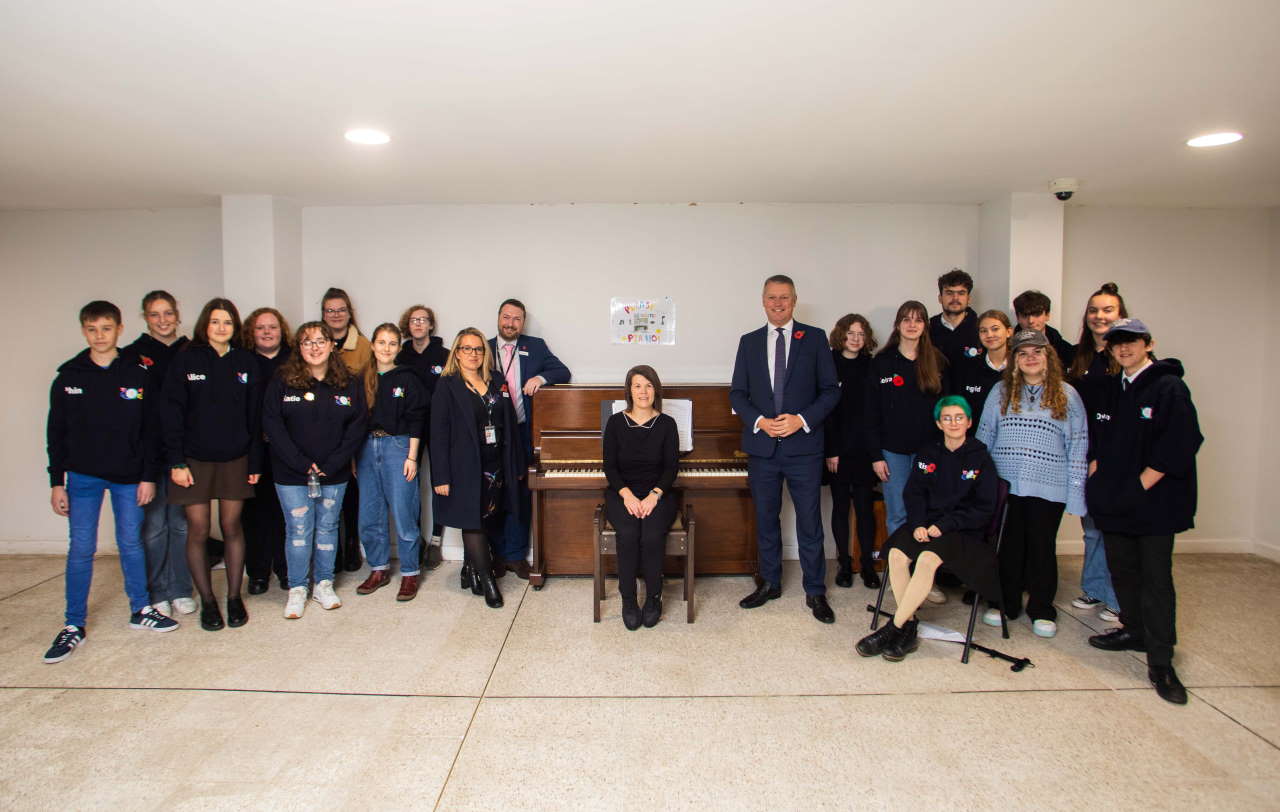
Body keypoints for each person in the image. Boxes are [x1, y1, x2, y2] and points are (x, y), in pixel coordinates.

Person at [43, 301, 178, 662]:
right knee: (81, 548)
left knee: (131, 543)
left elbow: (152, 431)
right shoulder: (69, 376)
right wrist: (58, 481)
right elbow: (55, 433)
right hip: (83, 477)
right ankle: (74, 623)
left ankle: (141, 609)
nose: (99, 335)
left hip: (129, 476)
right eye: (92, 329)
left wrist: (148, 476)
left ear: (119, 329)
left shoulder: (137, 374)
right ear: (84, 331)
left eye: (106, 328)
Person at [1086, 318, 1202, 705]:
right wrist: (1097, 469)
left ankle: (1161, 659)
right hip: (1116, 500)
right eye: (1116, 344)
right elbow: (1101, 436)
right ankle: (1133, 630)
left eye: (1131, 342)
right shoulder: (1115, 388)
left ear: (1148, 344)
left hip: (1153, 502)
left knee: (1155, 578)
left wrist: (1140, 485)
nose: (1123, 349)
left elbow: (1182, 442)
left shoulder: (1168, 386)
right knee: (1123, 569)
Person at [730, 275, 840, 623]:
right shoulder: (748, 343)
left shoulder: (816, 338)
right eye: (772, 298)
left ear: (794, 300)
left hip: (804, 447)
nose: (778, 304)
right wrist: (760, 421)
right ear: (763, 301)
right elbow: (737, 394)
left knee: (809, 521)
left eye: (785, 298)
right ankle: (770, 583)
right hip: (762, 448)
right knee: (765, 520)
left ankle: (815, 591)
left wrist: (801, 420)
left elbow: (830, 391)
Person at [855, 396, 998, 661]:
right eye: (947, 418)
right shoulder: (928, 453)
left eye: (959, 417)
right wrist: (919, 523)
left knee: (927, 559)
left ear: (968, 422)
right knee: (896, 554)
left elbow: (983, 508)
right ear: (938, 423)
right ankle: (909, 624)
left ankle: (895, 627)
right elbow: (914, 493)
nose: (953, 423)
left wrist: (943, 526)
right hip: (926, 524)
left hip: (961, 531)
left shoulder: (980, 458)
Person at [976, 329, 1087, 638]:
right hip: (1006, 484)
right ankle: (1005, 603)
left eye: (1036, 352)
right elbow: (984, 439)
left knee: (1041, 548)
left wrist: (1077, 495)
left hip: (1049, 486)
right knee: (1008, 548)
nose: (1030, 358)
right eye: (1023, 353)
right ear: (1015, 359)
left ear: (1047, 356)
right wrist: (979, 485)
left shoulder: (1067, 394)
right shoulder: (1000, 392)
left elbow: (1078, 445)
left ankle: (1041, 608)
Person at [162, 298, 262, 632]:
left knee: (232, 527)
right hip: (193, 460)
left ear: (236, 327)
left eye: (228, 322)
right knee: (200, 530)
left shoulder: (246, 362)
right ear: (206, 324)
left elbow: (255, 417)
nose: (221, 328)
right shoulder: (186, 360)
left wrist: (254, 461)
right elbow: (171, 415)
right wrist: (175, 461)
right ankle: (207, 601)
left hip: (235, 457)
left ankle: (234, 597)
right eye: (216, 321)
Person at [262, 322, 368, 619]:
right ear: (299, 347)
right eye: (307, 342)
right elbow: (272, 423)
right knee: (298, 531)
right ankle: (297, 588)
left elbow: (357, 426)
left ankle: (323, 583)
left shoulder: (347, 381)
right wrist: (299, 462)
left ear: (331, 344)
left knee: (327, 528)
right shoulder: (283, 380)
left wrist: (333, 462)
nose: (315, 347)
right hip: (291, 473)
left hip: (333, 473)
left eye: (320, 341)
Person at [433, 328, 523, 609]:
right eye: (466, 348)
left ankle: (469, 568)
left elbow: (509, 423)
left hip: (495, 464)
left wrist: (515, 464)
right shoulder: (447, 385)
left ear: (485, 353)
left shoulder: (496, 380)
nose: (473, 354)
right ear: (456, 353)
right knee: (472, 521)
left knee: (488, 518)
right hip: (464, 466)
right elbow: (438, 433)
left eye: (478, 349)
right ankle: (488, 582)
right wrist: (441, 476)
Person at [488, 299, 571, 579]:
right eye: (506, 317)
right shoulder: (482, 348)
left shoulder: (535, 346)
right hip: (490, 435)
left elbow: (563, 372)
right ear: (498, 318)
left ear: (523, 323)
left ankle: (516, 555)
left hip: (522, 433)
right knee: (494, 493)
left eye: (516, 319)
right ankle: (496, 555)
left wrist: (541, 378)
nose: (510, 323)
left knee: (520, 495)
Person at [124, 290, 195, 617]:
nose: (163, 320)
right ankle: (157, 591)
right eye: (155, 314)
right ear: (145, 318)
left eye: (168, 313)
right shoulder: (133, 355)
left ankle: (181, 588)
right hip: (149, 454)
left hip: (185, 451)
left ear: (177, 315)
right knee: (153, 527)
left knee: (181, 525)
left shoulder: (191, 350)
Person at [1066, 282, 1129, 623]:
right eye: (1094, 310)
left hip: (1115, 457)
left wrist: (1104, 458)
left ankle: (1118, 598)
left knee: (1114, 529)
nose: (1099, 316)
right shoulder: (1080, 357)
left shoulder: (1125, 357)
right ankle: (1093, 588)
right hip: (1083, 453)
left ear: (1121, 315)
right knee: (1091, 527)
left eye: (1107, 310)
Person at [603, 365, 680, 629]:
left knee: (651, 534)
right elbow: (609, 467)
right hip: (621, 493)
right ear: (629, 390)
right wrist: (627, 495)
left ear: (655, 389)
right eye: (637, 385)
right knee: (628, 533)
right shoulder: (615, 422)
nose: (643, 391)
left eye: (648, 385)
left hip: (659, 494)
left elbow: (671, 468)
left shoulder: (667, 424)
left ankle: (654, 597)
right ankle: (628, 599)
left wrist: (654, 495)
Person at [356, 323, 428, 602]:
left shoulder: (407, 379)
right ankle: (378, 568)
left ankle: (410, 572)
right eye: (381, 342)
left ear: (399, 348)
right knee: (369, 513)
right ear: (373, 345)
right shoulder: (362, 377)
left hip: (398, 446)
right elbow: (354, 420)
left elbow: (417, 419)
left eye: (392, 343)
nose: (386, 348)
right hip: (365, 447)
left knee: (403, 511)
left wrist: (412, 456)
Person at [823, 313, 881, 589]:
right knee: (840, 507)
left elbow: (874, 413)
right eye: (851, 333)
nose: (856, 339)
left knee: (865, 508)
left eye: (861, 334)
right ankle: (844, 563)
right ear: (841, 335)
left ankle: (867, 565)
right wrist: (831, 451)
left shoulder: (872, 365)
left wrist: (875, 453)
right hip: (837, 449)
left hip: (865, 448)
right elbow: (828, 412)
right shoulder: (829, 363)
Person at [241, 307, 293, 594]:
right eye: (261, 328)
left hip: (286, 448)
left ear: (281, 330)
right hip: (253, 448)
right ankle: (258, 572)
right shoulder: (243, 362)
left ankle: (286, 570)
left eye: (272, 327)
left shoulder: (293, 360)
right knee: (254, 513)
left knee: (285, 512)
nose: (267, 332)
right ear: (252, 331)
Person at [321, 287, 371, 572]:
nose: (336, 315)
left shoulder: (363, 346)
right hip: (322, 430)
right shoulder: (314, 343)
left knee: (351, 493)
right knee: (327, 492)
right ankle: (332, 549)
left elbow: (367, 390)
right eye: (330, 310)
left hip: (352, 428)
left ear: (349, 313)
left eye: (341, 310)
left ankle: (351, 543)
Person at [397, 304, 449, 570]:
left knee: (439, 482)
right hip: (408, 430)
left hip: (438, 427)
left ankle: (436, 541)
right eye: (413, 320)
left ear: (431, 325)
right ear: (408, 325)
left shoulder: (444, 355)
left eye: (423, 320)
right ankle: (414, 541)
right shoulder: (399, 355)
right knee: (410, 484)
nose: (418, 324)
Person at [953, 309, 1013, 431]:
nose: (989, 335)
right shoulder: (967, 368)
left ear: (1008, 331)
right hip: (975, 442)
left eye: (995, 329)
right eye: (983, 331)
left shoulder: (1021, 368)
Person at [928, 268, 981, 367]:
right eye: (949, 293)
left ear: (968, 299)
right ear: (940, 298)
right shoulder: (927, 329)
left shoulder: (981, 329)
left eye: (961, 293)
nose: (955, 298)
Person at [1013, 290, 1074, 366]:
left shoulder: (1065, 350)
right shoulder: (1007, 348)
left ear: (1047, 315)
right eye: (1025, 315)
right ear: (1017, 317)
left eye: (1036, 314)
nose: (1031, 321)